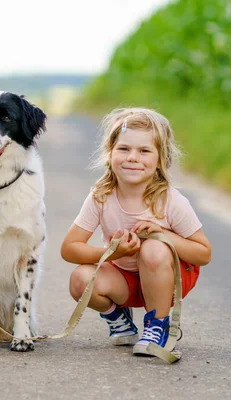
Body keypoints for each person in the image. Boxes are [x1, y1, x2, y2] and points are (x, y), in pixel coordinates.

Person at [61, 107, 212, 356]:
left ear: (160, 159)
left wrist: (165, 235)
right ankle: (118, 318)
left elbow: (203, 254)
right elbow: (69, 248)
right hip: (125, 279)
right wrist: (112, 253)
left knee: (153, 248)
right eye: (123, 149)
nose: (132, 157)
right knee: (80, 279)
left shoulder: (171, 201)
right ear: (110, 154)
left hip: (168, 277)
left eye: (144, 151)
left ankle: (157, 325)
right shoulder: (100, 197)